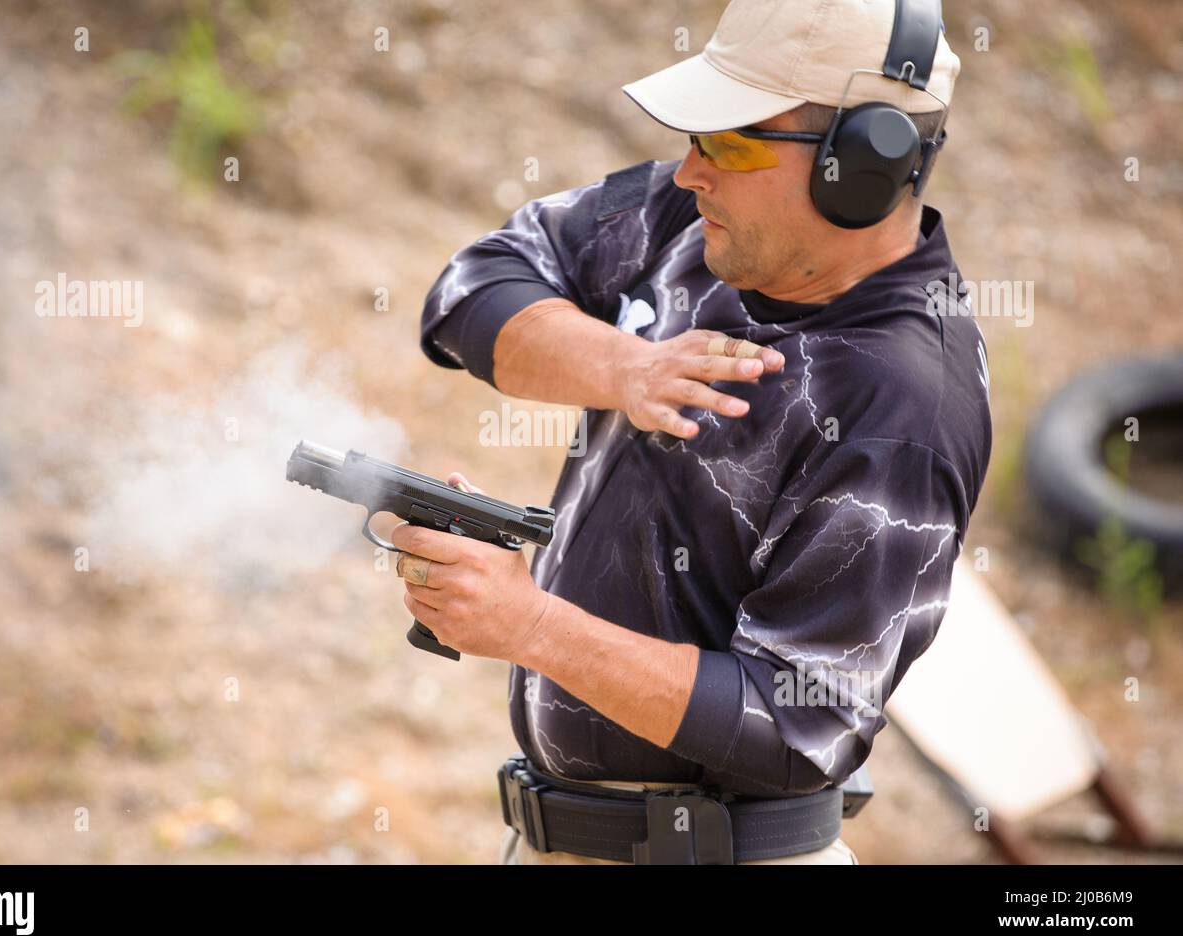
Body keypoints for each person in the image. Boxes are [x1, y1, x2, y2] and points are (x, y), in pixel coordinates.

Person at [397, 0, 991, 864]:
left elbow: (798, 724)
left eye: (728, 141)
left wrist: (531, 626)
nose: (688, 172)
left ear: (858, 165)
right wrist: (619, 365)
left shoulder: (900, 404)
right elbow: (468, 287)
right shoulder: (705, 226)